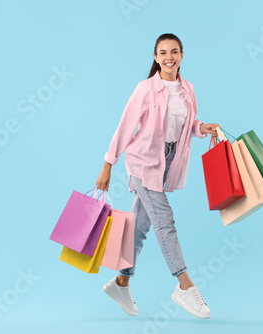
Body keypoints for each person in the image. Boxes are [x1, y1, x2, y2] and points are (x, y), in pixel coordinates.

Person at [96, 33, 220, 319]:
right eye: (163, 52)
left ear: (182, 55)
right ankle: (184, 286)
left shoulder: (187, 88)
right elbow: (125, 126)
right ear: (155, 57)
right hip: (143, 162)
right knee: (165, 221)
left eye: (174, 52)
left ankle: (120, 284)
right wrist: (108, 163)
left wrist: (202, 128)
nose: (169, 57)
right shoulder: (145, 89)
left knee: (138, 229)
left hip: (166, 162)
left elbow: (185, 124)